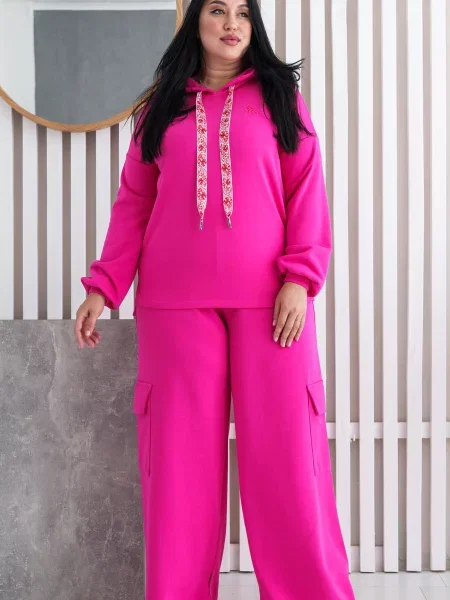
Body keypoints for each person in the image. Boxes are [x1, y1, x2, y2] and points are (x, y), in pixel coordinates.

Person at [74, 0, 356, 598]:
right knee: (180, 473)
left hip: (272, 304)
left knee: (288, 464)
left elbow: (307, 188)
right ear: (195, 21)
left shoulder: (280, 98)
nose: (232, 24)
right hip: (175, 307)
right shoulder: (159, 108)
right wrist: (104, 285)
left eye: (243, 14)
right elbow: (134, 202)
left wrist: (300, 278)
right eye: (218, 11)